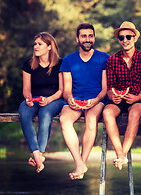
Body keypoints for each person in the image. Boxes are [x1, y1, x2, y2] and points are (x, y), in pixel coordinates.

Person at [59, 23, 110, 180]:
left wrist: (95, 100)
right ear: (77, 38)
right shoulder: (68, 60)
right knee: (64, 119)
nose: (87, 39)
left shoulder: (104, 58)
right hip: (75, 100)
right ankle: (79, 162)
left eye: (90, 36)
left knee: (91, 119)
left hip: (97, 100)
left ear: (94, 38)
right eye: (84, 36)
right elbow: (66, 90)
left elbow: (105, 89)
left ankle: (82, 163)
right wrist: (70, 100)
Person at [103, 21, 141, 170]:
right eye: (121, 37)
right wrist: (113, 97)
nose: (125, 40)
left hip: (139, 98)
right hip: (119, 99)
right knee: (107, 112)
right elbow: (110, 89)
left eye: (128, 37)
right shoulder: (112, 60)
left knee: (135, 112)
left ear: (135, 38)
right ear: (118, 40)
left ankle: (122, 154)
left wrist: (137, 98)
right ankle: (120, 153)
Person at [19, 32, 65, 173]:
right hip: (35, 99)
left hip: (55, 100)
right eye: (35, 44)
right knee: (24, 112)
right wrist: (28, 99)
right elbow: (26, 90)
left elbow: (61, 90)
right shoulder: (28, 64)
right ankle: (37, 154)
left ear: (49, 47)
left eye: (40, 44)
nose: (36, 47)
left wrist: (50, 99)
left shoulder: (60, 63)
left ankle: (41, 153)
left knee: (45, 113)